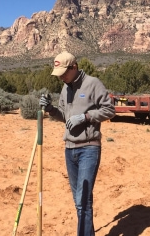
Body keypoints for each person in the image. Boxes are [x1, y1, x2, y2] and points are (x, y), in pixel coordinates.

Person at [39, 51, 115, 236]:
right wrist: (50, 109)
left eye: (64, 73)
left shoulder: (93, 83)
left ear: (74, 67)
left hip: (89, 148)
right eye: (59, 74)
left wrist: (86, 117)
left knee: (83, 200)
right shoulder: (66, 87)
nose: (61, 77)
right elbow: (65, 116)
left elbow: (110, 110)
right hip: (69, 149)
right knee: (78, 201)